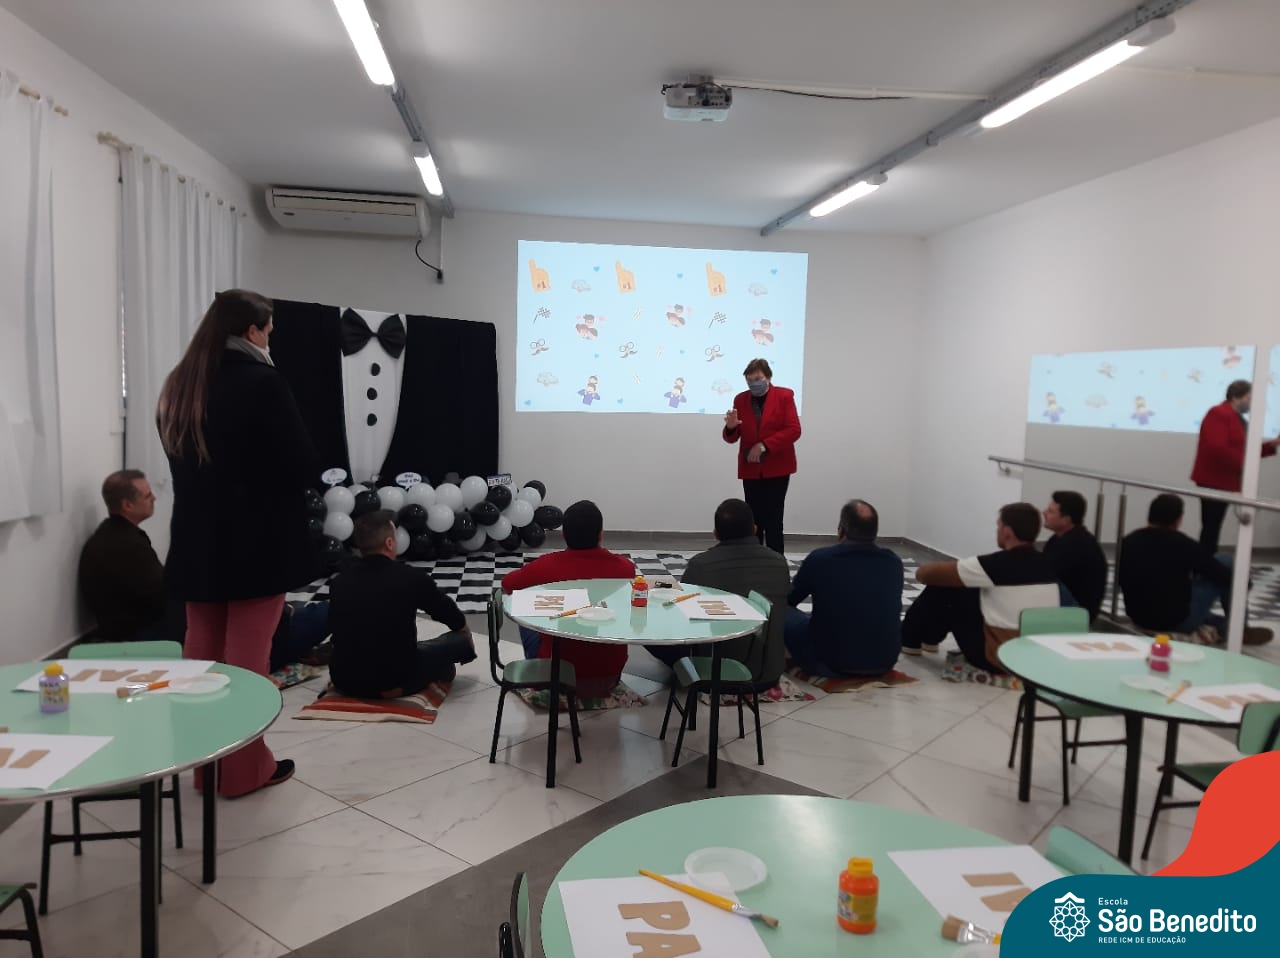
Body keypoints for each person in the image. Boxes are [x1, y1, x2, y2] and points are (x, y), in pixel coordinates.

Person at [158, 289, 319, 797]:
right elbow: (301, 462)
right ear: (253, 331)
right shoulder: (262, 382)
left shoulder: (180, 384)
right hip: (256, 542)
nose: (270, 340)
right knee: (248, 658)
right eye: (268, 331)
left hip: (197, 541)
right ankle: (243, 771)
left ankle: (204, 767)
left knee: (201, 654)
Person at [327, 511, 475, 697]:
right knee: (458, 643)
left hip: (344, 679)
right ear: (389, 543)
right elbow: (445, 610)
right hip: (393, 680)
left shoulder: (339, 582)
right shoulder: (411, 578)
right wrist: (464, 630)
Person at [901, 503, 1060, 673]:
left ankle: (911, 639)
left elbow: (926, 574)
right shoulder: (1048, 563)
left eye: (998, 526)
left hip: (1000, 657)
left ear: (1007, 532)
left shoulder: (995, 565)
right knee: (965, 586)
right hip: (1038, 653)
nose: (997, 531)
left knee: (948, 586)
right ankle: (928, 638)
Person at [645, 499, 791, 684]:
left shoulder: (701, 564)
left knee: (651, 627)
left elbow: (680, 611)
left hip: (713, 670)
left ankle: (687, 672)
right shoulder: (779, 562)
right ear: (754, 529)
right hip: (767, 671)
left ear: (715, 533)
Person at [501, 500, 635, 698]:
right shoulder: (625, 568)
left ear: (563, 534)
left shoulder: (546, 566)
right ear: (600, 534)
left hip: (556, 675)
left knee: (526, 610)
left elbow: (508, 585)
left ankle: (537, 668)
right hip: (609, 676)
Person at [1118, 493, 1271, 644]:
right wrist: (1245, 583)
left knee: (1183, 600)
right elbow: (1220, 574)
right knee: (1225, 561)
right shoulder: (1183, 544)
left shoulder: (1128, 541)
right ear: (1178, 519)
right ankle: (1240, 628)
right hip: (1177, 622)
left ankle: (1225, 627)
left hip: (1139, 617)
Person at [785, 499, 903, 677]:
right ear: (875, 532)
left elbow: (790, 599)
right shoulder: (893, 562)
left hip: (830, 662)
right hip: (885, 661)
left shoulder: (820, 559)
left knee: (782, 611)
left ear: (841, 531)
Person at [78, 469, 182, 643]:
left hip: (119, 628)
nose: (154, 498)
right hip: (134, 634)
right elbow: (162, 594)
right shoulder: (129, 545)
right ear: (127, 505)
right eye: (147, 496)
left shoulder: (109, 534)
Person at [721, 358, 801, 554]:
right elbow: (732, 437)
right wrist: (730, 428)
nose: (753, 383)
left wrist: (764, 446)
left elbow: (794, 430)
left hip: (777, 467)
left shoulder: (784, 396)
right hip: (751, 467)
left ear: (768, 377)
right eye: (749, 380)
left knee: (774, 519)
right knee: (753, 520)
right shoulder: (740, 399)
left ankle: (775, 561)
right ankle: (754, 560)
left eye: (757, 379)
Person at [1190, 379, 1279, 554]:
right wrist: (1244, 463)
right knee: (1211, 526)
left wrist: (1272, 445)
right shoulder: (1219, 413)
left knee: (1213, 525)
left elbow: (1244, 450)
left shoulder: (1236, 418)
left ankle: (1206, 560)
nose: (1251, 403)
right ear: (1236, 397)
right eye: (1249, 398)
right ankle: (1205, 562)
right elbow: (1216, 447)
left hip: (1223, 480)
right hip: (1214, 480)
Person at [1041, 490, 1108, 622]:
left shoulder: (1076, 546)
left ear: (1066, 520)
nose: (1044, 513)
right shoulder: (1060, 539)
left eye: (1051, 511)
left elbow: (1045, 578)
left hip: (1075, 615)